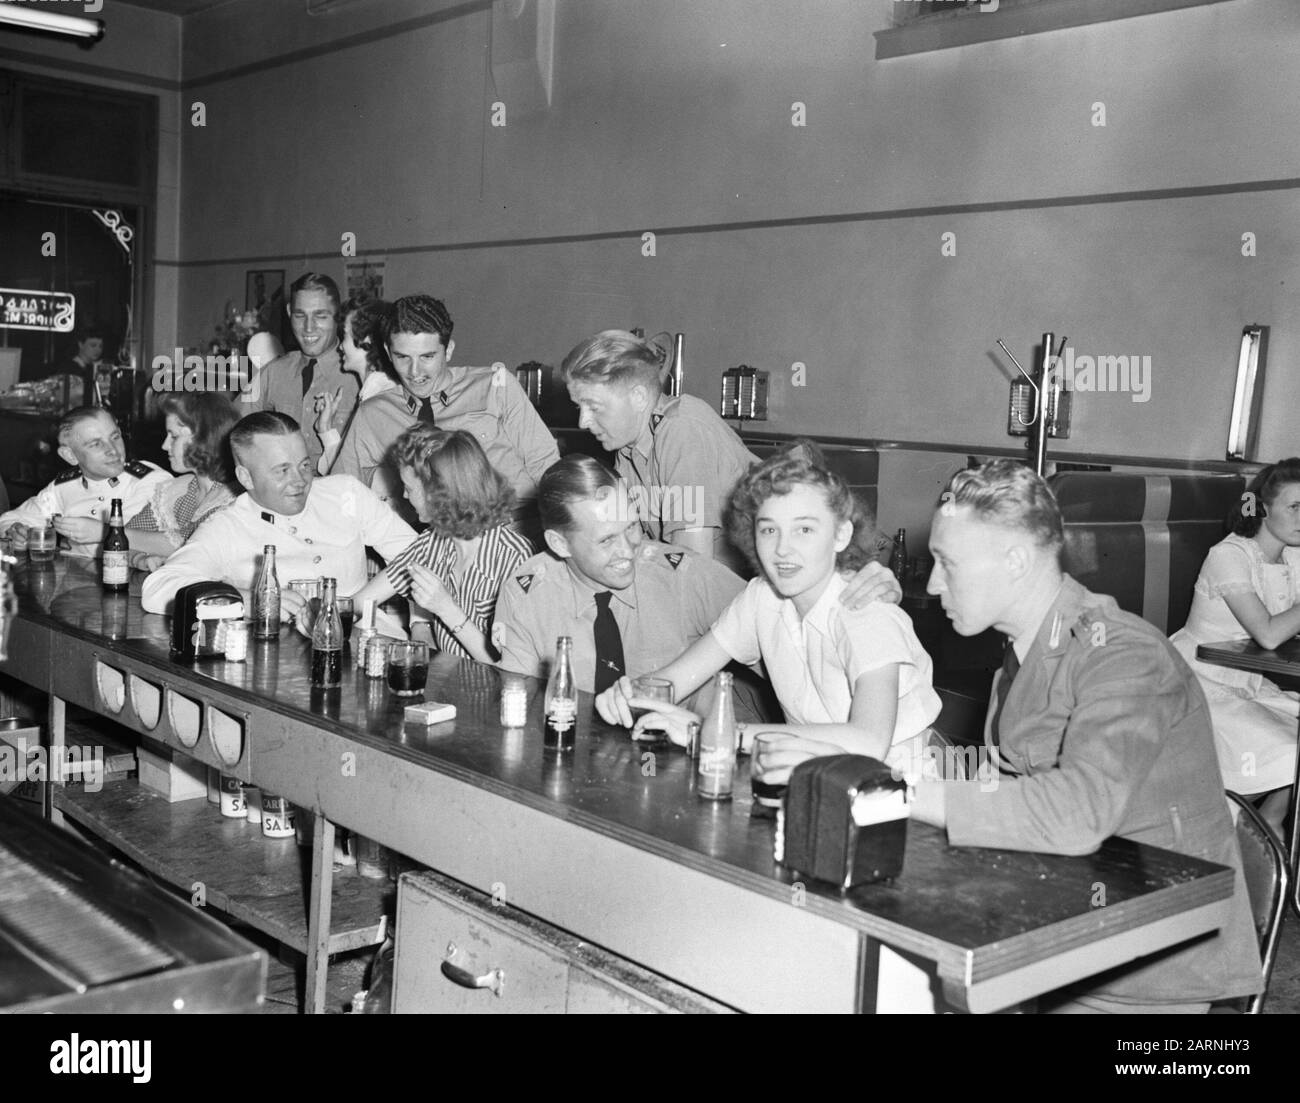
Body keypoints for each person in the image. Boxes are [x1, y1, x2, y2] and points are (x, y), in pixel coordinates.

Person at [903, 459, 1261, 1013]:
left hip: (1145, 969)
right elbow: (1009, 781)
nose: (930, 583)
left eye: (947, 563)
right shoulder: (1024, 651)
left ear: (1016, 560)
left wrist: (901, 795)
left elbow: (1078, 811)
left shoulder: (1123, 653)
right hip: (1068, 925)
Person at [596, 441, 942, 780]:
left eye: (804, 529)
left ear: (840, 535)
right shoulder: (763, 598)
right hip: (813, 780)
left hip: (903, 794)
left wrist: (714, 732)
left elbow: (867, 743)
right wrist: (629, 695)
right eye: (769, 530)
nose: (782, 549)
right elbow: (675, 679)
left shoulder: (865, 610)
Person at [493, 454, 903, 717]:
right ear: (559, 543)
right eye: (605, 540)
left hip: (673, 762)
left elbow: (791, 618)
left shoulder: (682, 576)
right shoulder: (528, 593)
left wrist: (860, 581)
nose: (629, 549)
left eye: (632, 526)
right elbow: (513, 709)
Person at [141, 412, 415, 619]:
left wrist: (411, 621)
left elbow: (420, 554)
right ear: (245, 477)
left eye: (304, 465)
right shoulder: (228, 526)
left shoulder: (345, 493)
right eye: (282, 471)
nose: (300, 481)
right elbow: (158, 590)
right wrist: (250, 601)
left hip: (363, 643)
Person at [332, 294, 558, 536]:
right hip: (433, 547)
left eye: (427, 357)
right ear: (388, 352)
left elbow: (548, 469)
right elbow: (341, 491)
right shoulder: (374, 413)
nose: (415, 371)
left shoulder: (495, 388)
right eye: (402, 357)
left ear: (448, 350)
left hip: (516, 533)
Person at [1171, 459, 1300, 835]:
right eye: (1295, 507)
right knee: (1290, 752)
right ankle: (1253, 829)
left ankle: (1269, 824)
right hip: (1197, 686)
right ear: (1261, 509)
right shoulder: (1229, 555)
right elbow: (1270, 635)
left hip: (1249, 683)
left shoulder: (1294, 554)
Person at [561, 330, 757, 572]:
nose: (583, 421)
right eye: (579, 407)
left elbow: (689, 564)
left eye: (594, 407)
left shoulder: (683, 431)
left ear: (639, 397)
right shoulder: (628, 448)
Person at [351, 427, 533, 662]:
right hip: (445, 690)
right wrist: (314, 608)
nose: (405, 497)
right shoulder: (432, 543)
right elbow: (360, 601)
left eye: (409, 488)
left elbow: (510, 668)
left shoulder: (515, 557)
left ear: (440, 494)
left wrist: (446, 608)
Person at [0, 407, 170, 558]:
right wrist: (17, 531)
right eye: (96, 444)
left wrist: (95, 533)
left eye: (115, 437)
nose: (112, 450)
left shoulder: (150, 481)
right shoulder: (64, 486)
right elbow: (10, 519)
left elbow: (139, 541)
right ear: (70, 456)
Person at [252, 272, 360, 472]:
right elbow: (234, 431)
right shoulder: (272, 373)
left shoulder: (359, 377)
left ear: (338, 315)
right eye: (300, 315)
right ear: (288, 312)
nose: (308, 328)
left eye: (320, 316)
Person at [125, 392, 240, 570]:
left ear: (202, 439)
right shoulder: (177, 490)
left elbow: (190, 544)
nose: (164, 445)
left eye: (174, 436)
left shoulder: (236, 497)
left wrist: (102, 532)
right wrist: (139, 558)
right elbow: (125, 540)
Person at [312, 298, 396, 476]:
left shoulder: (380, 397)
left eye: (345, 336)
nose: (340, 346)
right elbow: (345, 467)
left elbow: (351, 478)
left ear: (366, 339)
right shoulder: (372, 391)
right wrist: (326, 428)